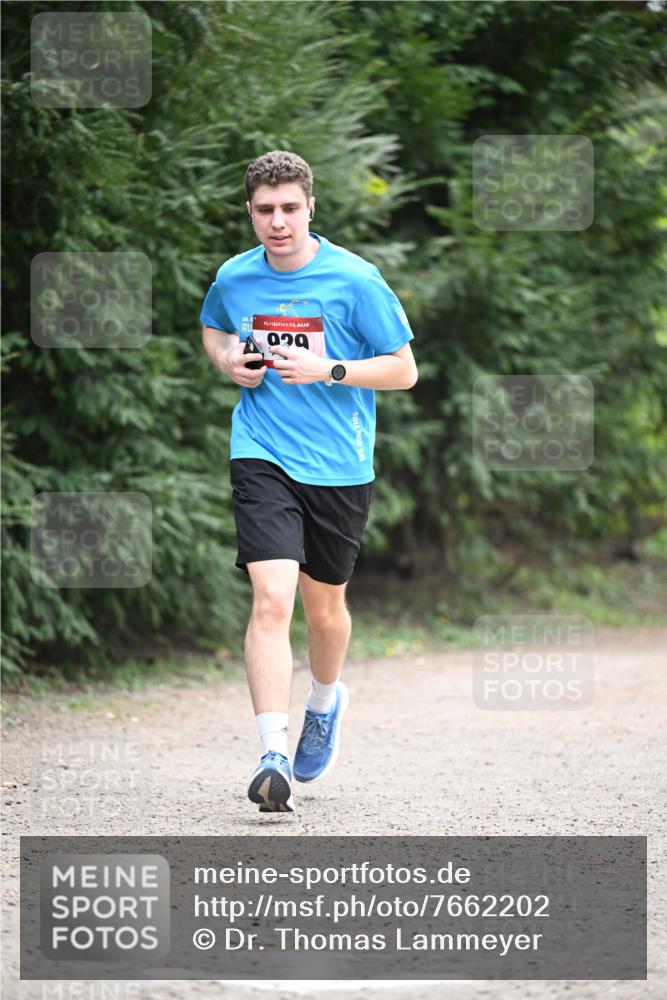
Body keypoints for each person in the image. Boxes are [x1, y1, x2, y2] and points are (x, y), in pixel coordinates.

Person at [200, 150, 417, 813]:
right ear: (250, 212)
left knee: (325, 611)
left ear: (309, 208)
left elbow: (403, 370)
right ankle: (272, 752)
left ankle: (324, 701)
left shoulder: (354, 280)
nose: (277, 222)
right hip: (261, 451)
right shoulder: (235, 278)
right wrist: (229, 362)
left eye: (289, 208)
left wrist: (329, 370)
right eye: (265, 210)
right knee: (271, 600)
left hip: (339, 464)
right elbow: (213, 328)